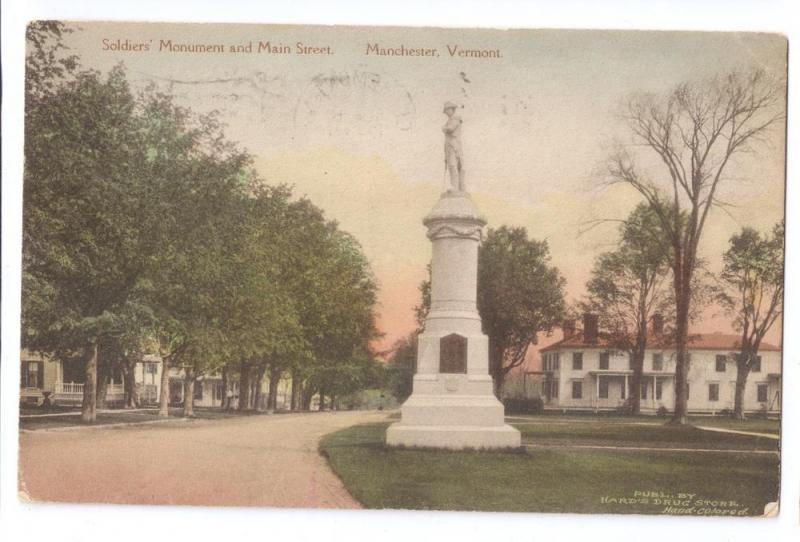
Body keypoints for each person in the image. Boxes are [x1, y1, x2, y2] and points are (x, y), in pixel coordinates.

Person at [442, 101, 466, 191]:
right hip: (449, 146)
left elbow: (450, 128)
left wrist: (444, 128)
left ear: (452, 109)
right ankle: (456, 187)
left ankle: (456, 187)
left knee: (454, 165)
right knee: (452, 166)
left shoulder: (455, 119)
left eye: (447, 110)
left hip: (454, 145)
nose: (446, 112)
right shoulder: (450, 120)